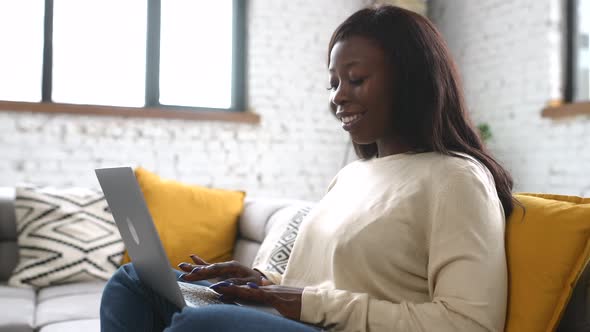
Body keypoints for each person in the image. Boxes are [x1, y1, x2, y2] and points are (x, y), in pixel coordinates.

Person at [100, 5, 516, 332]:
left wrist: (303, 302)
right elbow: (327, 281)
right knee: (134, 280)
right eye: (333, 83)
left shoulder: (457, 179)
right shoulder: (355, 174)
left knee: (200, 324)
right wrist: (263, 282)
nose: (338, 97)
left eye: (355, 79)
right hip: (302, 321)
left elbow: (469, 324)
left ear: (411, 80)